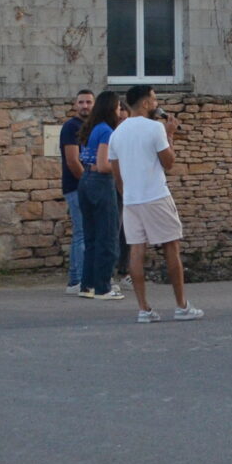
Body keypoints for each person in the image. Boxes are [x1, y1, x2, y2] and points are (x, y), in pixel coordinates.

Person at [108, 85, 203, 322]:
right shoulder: (155, 128)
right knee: (171, 247)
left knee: (136, 251)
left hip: (131, 200)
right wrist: (169, 134)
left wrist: (128, 194)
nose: (156, 103)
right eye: (153, 99)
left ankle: (144, 309)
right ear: (145, 103)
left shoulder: (117, 133)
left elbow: (117, 175)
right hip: (156, 196)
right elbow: (168, 162)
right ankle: (181, 306)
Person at [76, 91, 126, 300]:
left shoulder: (91, 128)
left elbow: (89, 159)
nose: (120, 111)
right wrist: (123, 166)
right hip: (101, 183)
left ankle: (87, 284)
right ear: (111, 109)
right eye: (118, 107)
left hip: (85, 181)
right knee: (108, 236)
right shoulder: (106, 130)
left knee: (92, 237)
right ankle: (103, 287)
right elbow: (104, 164)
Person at [58, 88, 95, 295]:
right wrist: (87, 183)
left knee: (82, 233)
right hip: (76, 187)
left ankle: (75, 279)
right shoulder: (71, 127)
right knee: (82, 233)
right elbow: (72, 160)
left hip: (85, 186)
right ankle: (79, 280)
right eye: (81, 102)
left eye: (88, 102)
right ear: (75, 105)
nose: (84, 106)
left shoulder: (92, 127)